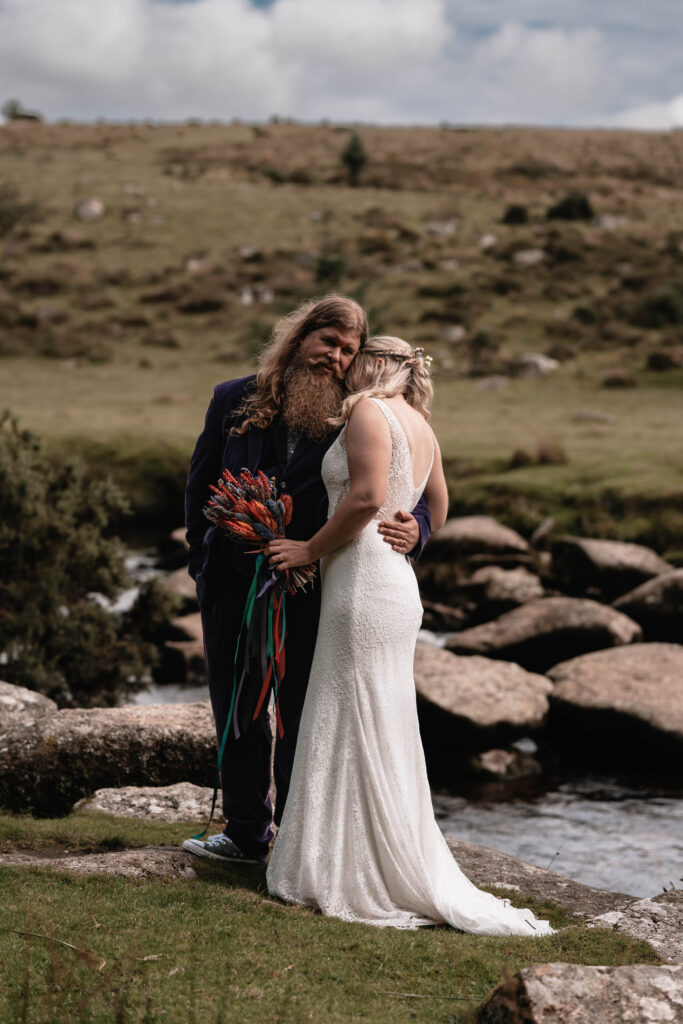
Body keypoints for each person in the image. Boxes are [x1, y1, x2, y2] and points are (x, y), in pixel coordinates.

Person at [265, 335, 555, 936]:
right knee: (374, 719)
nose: (345, 368)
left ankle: (344, 868)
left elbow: (367, 497)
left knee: (350, 713)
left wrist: (306, 550)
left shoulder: (369, 411)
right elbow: (439, 508)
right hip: (389, 580)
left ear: (373, 365)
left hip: (362, 579)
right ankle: (360, 856)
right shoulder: (420, 424)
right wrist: (413, 534)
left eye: (356, 358)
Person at [182, 297, 432, 865]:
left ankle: (298, 841)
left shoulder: (360, 411)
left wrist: (418, 530)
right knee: (239, 710)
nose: (335, 357)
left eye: (348, 349)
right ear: (300, 337)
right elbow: (199, 489)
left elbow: (402, 484)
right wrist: (203, 564)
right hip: (232, 587)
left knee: (302, 713)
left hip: (316, 587)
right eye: (328, 341)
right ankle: (247, 833)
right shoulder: (232, 398)